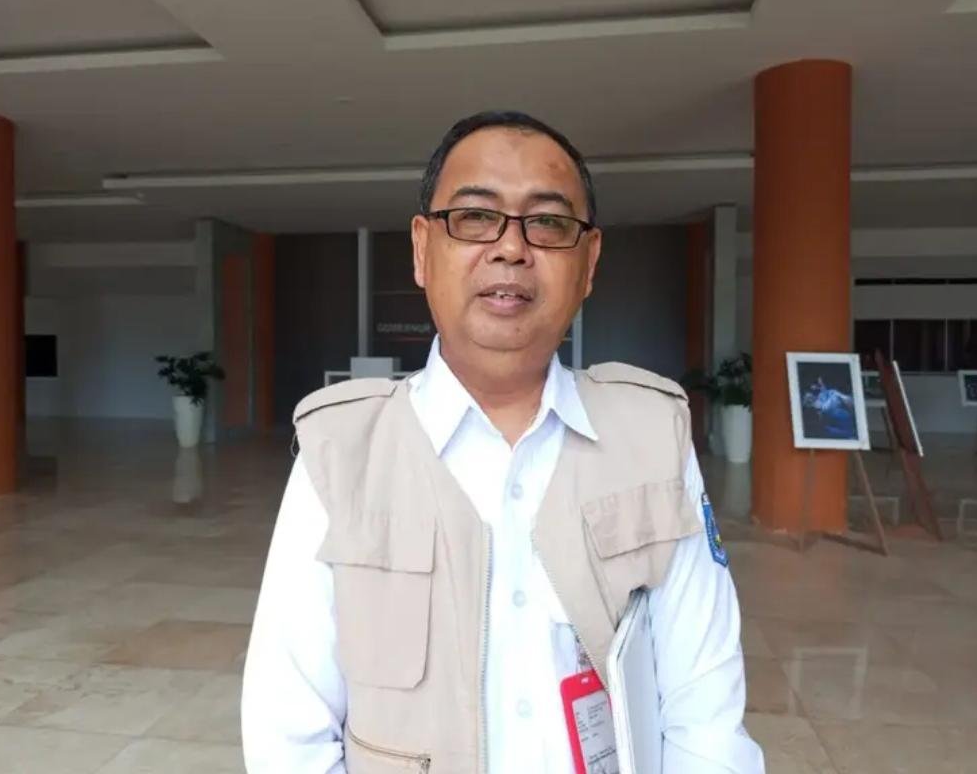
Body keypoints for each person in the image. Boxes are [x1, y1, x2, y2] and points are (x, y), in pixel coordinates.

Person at [242, 110, 764, 774]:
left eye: (547, 222)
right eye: (474, 217)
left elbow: (705, 712)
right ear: (422, 250)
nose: (511, 248)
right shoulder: (340, 451)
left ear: (588, 262)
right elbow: (289, 730)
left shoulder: (652, 436)